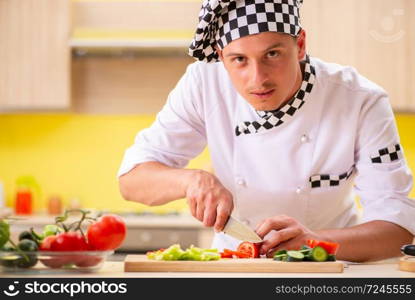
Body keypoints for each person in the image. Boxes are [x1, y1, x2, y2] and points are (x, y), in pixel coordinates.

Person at [118, 0, 415, 262]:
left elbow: (397, 230)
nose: (257, 79)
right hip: (236, 266)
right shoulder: (203, 84)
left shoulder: (359, 99)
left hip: (329, 267)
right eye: (239, 60)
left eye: (272, 54)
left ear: (300, 45)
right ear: (221, 56)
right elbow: (132, 181)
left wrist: (313, 242)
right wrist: (191, 180)